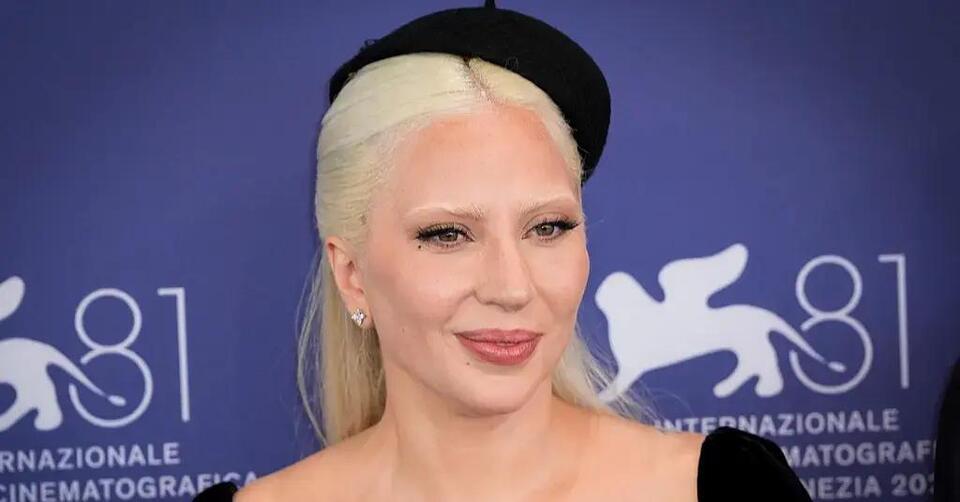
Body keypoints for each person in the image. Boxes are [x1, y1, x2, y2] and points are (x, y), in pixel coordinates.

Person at [196, 1, 812, 500]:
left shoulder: (727, 491)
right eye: (448, 235)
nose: (512, 287)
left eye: (547, 227)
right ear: (352, 274)